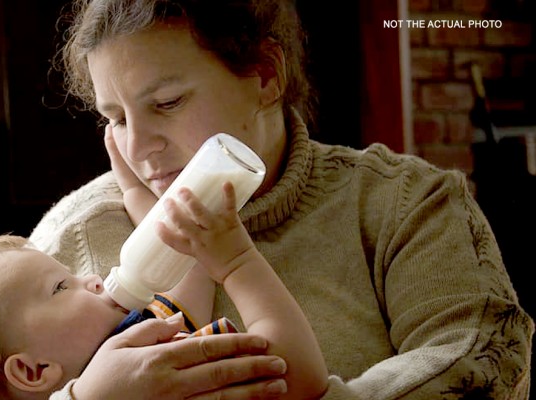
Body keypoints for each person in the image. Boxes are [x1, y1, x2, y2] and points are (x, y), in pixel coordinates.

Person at [28, 0, 535, 399]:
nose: (138, 148)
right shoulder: (72, 237)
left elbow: (481, 369)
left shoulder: (407, 205)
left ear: (267, 76)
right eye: (115, 118)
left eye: (167, 102)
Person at [0, 174, 328, 399]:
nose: (90, 277)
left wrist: (137, 190)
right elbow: (299, 376)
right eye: (60, 288)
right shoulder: (161, 374)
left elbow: (188, 271)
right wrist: (238, 262)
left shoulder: (137, 335)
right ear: (33, 371)